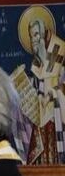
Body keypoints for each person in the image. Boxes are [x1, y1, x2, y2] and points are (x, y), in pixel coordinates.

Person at [23, 18, 65, 165]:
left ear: (44, 34)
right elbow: (39, 84)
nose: (33, 40)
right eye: (31, 36)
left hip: (56, 120)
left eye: (36, 35)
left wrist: (52, 95)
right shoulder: (38, 61)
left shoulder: (61, 51)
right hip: (41, 122)